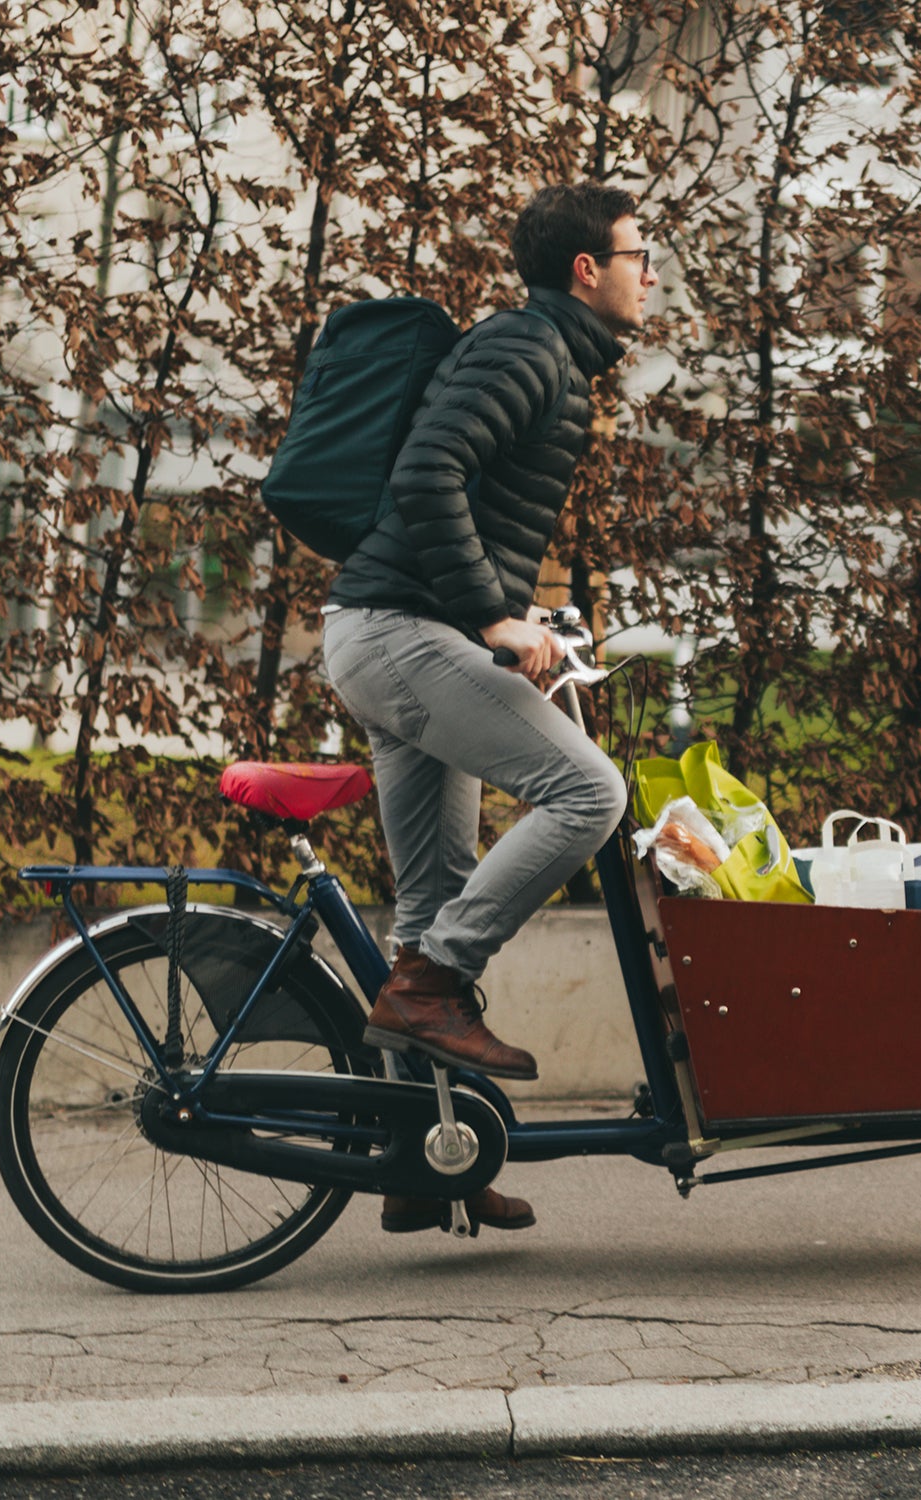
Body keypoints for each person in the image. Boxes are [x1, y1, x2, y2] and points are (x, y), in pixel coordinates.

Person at [320, 183, 658, 1235]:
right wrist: (494, 621)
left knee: (432, 898)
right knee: (586, 790)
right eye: (640, 254)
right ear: (585, 273)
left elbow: (465, 496)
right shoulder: (528, 352)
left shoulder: (545, 355)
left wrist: (521, 613)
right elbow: (430, 478)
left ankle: (425, 1160)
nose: (654, 273)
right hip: (402, 632)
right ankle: (430, 990)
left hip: (395, 632)